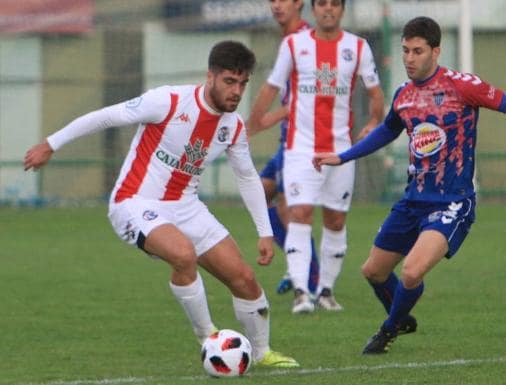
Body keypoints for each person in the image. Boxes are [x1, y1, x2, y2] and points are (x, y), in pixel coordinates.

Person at [23, 41, 299, 368]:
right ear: (210, 76)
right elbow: (105, 117)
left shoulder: (232, 126)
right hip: (135, 202)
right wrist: (51, 144)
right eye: (229, 81)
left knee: (244, 278)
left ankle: (262, 351)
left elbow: (248, 177)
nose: (236, 91)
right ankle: (210, 338)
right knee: (183, 255)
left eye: (243, 83)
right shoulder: (167, 101)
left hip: (186, 206)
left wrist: (265, 232)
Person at [313, 16, 506, 354]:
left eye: (417, 51)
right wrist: (344, 156)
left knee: (411, 272)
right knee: (373, 271)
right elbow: (388, 130)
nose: (409, 58)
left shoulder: (461, 85)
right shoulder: (404, 95)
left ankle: (387, 330)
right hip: (413, 199)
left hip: (452, 201)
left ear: (435, 51)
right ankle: (402, 316)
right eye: (405, 50)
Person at [248, 0, 385, 314]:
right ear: (313, 9)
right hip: (300, 148)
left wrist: (375, 122)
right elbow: (271, 87)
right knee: (300, 213)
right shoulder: (294, 45)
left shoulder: (358, 47)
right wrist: (252, 124)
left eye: (334, 4)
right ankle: (301, 293)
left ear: (342, 10)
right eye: (322, 3)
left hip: (340, 150)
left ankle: (325, 291)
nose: (328, 9)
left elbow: (375, 92)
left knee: (335, 220)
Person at [252, 0, 320, 296]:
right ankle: (299, 269)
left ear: (300, 4)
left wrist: (262, 119)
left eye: (284, 0)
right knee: (261, 193)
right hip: (288, 137)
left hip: (303, 139)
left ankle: (310, 280)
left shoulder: (307, 40)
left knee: (290, 209)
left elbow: (317, 93)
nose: (277, 6)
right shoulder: (288, 40)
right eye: (273, 0)